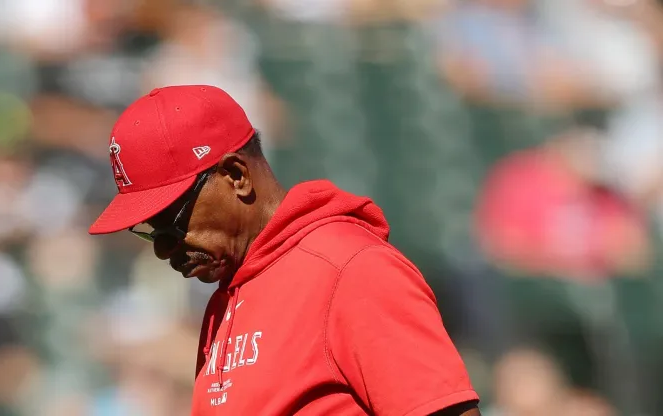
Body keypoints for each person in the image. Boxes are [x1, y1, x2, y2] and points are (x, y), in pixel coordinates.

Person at [89, 85, 481, 415]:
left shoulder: (351, 270)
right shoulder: (224, 301)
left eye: (172, 222)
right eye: (151, 231)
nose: (163, 250)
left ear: (236, 176)